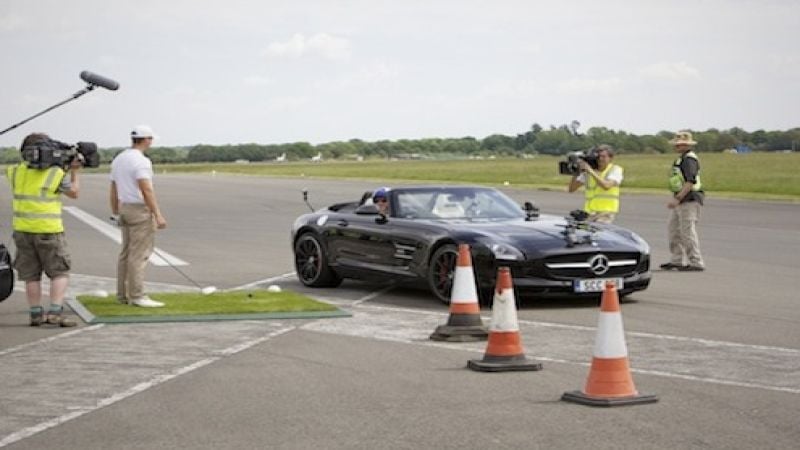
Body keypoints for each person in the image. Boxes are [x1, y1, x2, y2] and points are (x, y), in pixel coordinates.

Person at [6, 133, 81, 327]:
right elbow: (74, 192)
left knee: (31, 275)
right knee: (59, 272)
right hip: (49, 230)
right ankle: (55, 312)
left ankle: (35, 314)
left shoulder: (14, 171)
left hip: (22, 230)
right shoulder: (55, 174)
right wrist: (74, 171)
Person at [110, 125, 167, 307]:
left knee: (126, 253)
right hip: (139, 209)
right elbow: (146, 188)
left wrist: (115, 211)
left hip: (124, 208)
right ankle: (137, 295)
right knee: (139, 255)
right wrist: (157, 214)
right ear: (146, 140)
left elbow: (113, 188)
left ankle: (122, 294)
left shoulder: (119, 158)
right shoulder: (142, 161)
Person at [661, 131, 705, 271]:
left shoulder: (689, 160)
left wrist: (678, 198)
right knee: (674, 230)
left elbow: (690, 181)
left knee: (687, 232)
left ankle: (696, 261)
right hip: (681, 200)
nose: (677, 146)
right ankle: (677, 259)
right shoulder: (681, 159)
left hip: (689, 199)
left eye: (680, 144)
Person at [567, 144, 623, 223]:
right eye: (598, 157)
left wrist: (590, 171)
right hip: (589, 213)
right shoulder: (588, 172)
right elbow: (571, 189)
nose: (600, 159)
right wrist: (576, 172)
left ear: (611, 158)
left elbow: (606, 186)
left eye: (604, 157)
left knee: (598, 233)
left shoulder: (615, 169)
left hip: (605, 212)